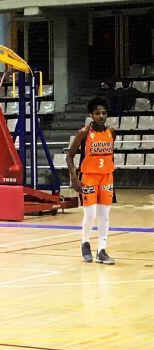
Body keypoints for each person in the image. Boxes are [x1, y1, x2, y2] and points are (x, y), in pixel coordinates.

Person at [67, 96, 116, 264]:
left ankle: (102, 250)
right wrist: (74, 177)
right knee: (91, 214)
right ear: (91, 115)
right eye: (97, 113)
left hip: (107, 176)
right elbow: (69, 156)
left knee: (105, 215)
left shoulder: (111, 132)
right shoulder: (84, 133)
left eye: (104, 113)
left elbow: (110, 156)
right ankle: (85, 242)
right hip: (88, 176)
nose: (101, 116)